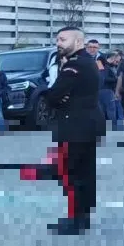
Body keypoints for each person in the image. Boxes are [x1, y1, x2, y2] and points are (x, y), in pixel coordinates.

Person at [43, 26, 104, 235]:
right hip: (87, 123)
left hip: (76, 125)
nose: (58, 43)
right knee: (85, 172)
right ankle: (82, 217)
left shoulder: (75, 65)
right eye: (57, 39)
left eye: (63, 39)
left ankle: (76, 220)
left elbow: (53, 95)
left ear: (78, 42)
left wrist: (54, 96)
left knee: (74, 173)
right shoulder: (87, 61)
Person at [98, 50, 119, 131]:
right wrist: (115, 79)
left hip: (101, 89)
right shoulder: (106, 67)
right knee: (110, 108)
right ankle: (113, 126)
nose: (116, 61)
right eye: (115, 59)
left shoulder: (104, 66)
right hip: (106, 89)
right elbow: (105, 78)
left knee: (103, 108)